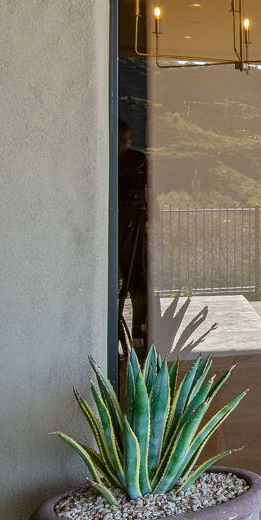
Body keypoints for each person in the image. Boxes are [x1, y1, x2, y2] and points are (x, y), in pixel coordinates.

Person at [117, 120, 151, 354]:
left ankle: (140, 333)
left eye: (126, 140)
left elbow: (150, 191)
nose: (124, 145)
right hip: (122, 227)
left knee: (138, 280)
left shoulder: (136, 160)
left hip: (133, 227)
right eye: (121, 141)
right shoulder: (113, 162)